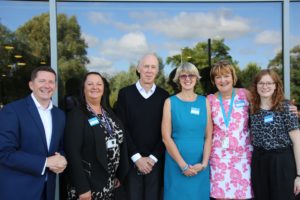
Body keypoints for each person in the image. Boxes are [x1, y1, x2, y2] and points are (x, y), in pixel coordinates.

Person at [0, 66, 67, 200]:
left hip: (48, 190)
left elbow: (60, 147)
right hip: (18, 191)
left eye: (51, 82)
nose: (47, 86)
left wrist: (62, 159)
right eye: (42, 81)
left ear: (55, 87)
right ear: (31, 85)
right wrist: (45, 162)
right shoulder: (12, 111)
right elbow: (4, 152)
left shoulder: (59, 115)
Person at [64, 72, 129, 200]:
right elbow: (73, 153)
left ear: (103, 88)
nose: (95, 87)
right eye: (90, 84)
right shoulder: (77, 115)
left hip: (109, 184)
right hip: (88, 187)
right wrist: (82, 188)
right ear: (83, 89)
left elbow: (120, 143)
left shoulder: (109, 114)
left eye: (99, 84)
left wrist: (117, 175)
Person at [115, 53, 169, 200]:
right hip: (131, 161)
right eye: (146, 66)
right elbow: (121, 128)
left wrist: (153, 158)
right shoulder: (125, 94)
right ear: (138, 68)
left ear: (158, 71)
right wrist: (137, 157)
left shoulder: (164, 96)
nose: (149, 70)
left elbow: (166, 131)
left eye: (153, 67)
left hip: (155, 162)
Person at [162, 62, 213, 200]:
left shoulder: (204, 102)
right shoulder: (170, 102)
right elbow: (166, 138)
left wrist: (203, 164)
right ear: (178, 79)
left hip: (200, 166)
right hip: (176, 165)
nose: (187, 79)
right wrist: (183, 166)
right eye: (183, 76)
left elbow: (208, 136)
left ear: (196, 78)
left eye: (191, 75)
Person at [249, 69, 300, 200]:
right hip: (259, 162)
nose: (265, 86)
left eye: (269, 83)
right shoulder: (252, 108)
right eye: (261, 83)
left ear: (276, 85)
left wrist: (299, 175)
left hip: (281, 162)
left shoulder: (285, 108)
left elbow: (297, 141)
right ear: (256, 86)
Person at [208, 60, 253, 199]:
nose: (223, 80)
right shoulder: (209, 100)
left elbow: (266, 106)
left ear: (233, 77)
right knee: (220, 195)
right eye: (218, 77)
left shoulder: (245, 94)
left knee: (243, 195)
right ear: (214, 81)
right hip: (219, 157)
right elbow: (207, 131)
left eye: (226, 75)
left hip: (243, 156)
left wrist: (287, 106)